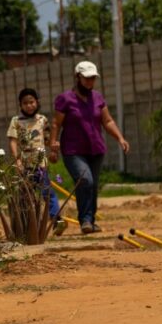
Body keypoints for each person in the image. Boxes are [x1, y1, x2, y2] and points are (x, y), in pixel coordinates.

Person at [49, 61, 130, 234]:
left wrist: (120, 138)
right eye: (86, 78)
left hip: (96, 149)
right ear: (77, 77)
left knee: (92, 186)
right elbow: (56, 123)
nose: (89, 82)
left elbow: (107, 121)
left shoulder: (98, 98)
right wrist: (53, 146)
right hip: (73, 150)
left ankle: (90, 221)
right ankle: (85, 220)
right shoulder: (65, 99)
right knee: (85, 180)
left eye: (92, 78)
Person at [7, 87, 59, 221]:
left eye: (31, 102)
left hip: (40, 164)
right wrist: (17, 161)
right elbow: (13, 141)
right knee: (25, 195)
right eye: (25, 103)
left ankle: (56, 219)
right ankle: (27, 223)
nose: (29, 106)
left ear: (37, 102)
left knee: (47, 192)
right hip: (24, 165)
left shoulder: (42, 120)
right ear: (20, 105)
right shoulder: (16, 121)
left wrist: (54, 148)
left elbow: (48, 140)